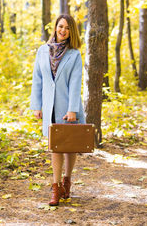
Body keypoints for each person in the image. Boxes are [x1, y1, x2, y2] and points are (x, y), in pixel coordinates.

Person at [30, 14, 86, 206]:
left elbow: (75, 82)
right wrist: (36, 105)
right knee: (55, 147)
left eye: (67, 28)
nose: (63, 30)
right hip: (49, 107)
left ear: (72, 32)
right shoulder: (42, 51)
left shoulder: (74, 54)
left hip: (68, 108)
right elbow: (37, 79)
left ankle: (67, 181)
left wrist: (73, 110)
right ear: (55, 27)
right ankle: (55, 188)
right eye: (60, 26)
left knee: (69, 147)